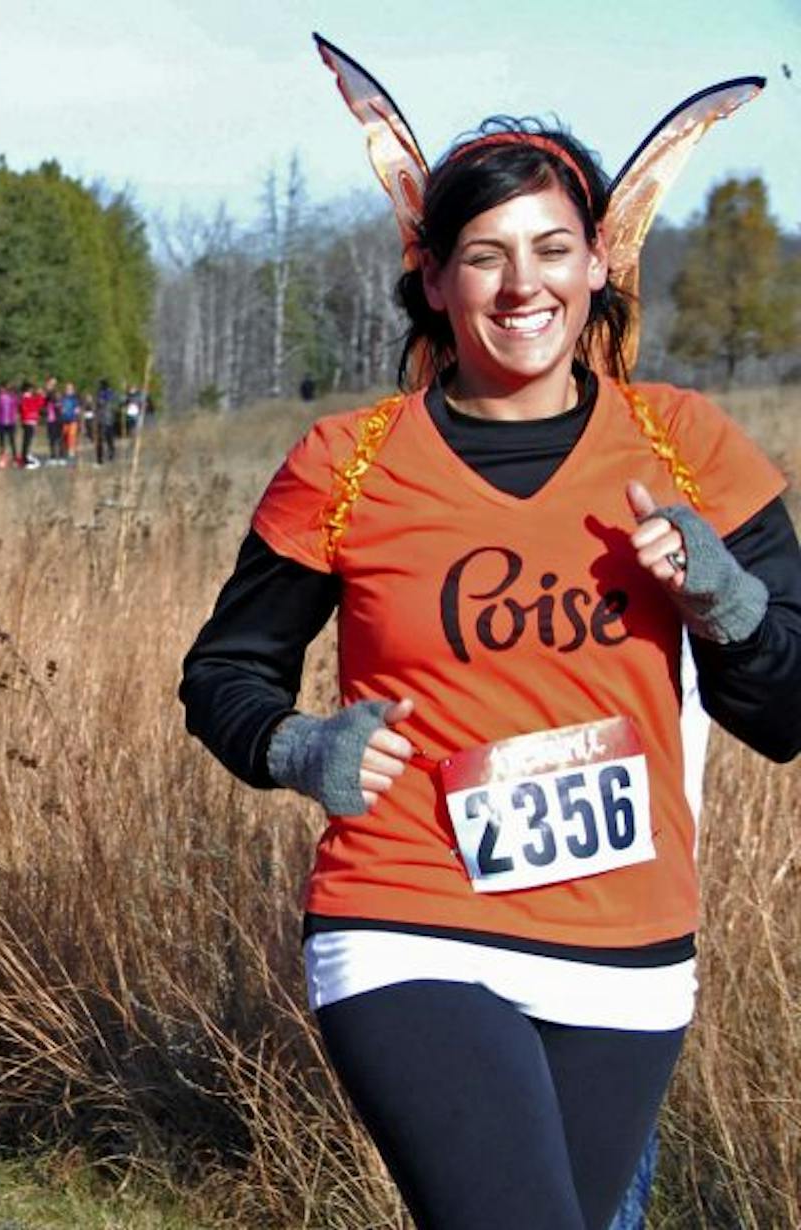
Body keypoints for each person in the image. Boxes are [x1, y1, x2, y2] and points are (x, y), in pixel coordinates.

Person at [179, 85, 795, 1230]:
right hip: (408, 913)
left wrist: (727, 599)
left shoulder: (688, 447)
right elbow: (223, 672)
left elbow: (788, 710)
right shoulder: (347, 463)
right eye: (486, 256)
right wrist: (292, 742)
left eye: (554, 249)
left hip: (627, 942)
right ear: (434, 277)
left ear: (600, 265)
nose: (525, 286)